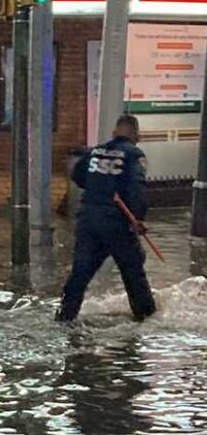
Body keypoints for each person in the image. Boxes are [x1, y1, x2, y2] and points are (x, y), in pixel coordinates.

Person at [57, 114, 156, 323]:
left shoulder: (95, 151)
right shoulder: (133, 155)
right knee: (133, 273)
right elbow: (136, 189)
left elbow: (77, 175)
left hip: (88, 220)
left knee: (80, 273)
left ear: (114, 133)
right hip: (117, 223)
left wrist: (97, 188)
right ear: (136, 135)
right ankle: (146, 319)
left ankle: (64, 317)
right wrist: (137, 219)